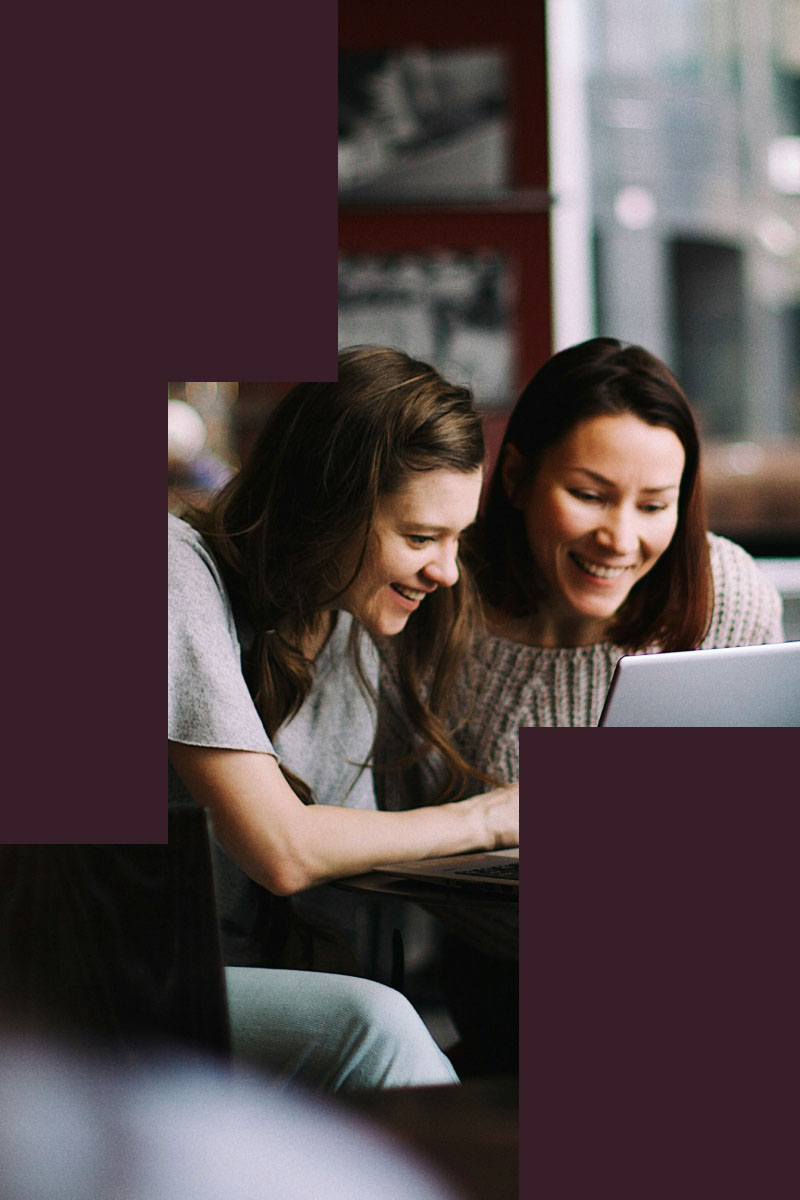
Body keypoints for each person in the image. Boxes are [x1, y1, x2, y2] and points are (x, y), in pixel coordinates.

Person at [377, 336, 784, 1074]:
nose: (620, 538)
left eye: (655, 505)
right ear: (517, 477)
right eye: (590, 495)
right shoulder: (431, 601)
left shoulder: (725, 590)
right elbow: (396, 829)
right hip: (509, 971)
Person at [168, 347, 519, 1090]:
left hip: (230, 975)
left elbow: (349, 847)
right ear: (326, 507)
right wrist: (487, 820)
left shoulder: (345, 628)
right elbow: (285, 851)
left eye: (458, 539)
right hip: (96, 971)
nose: (448, 572)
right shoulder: (171, 570)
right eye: (422, 538)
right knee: (377, 1027)